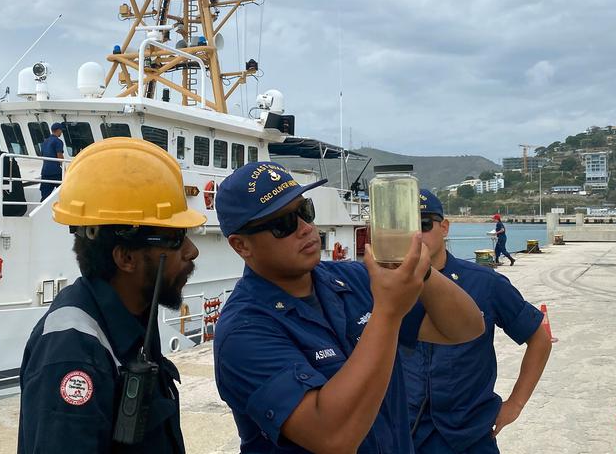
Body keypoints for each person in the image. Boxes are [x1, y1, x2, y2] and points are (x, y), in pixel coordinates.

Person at [212, 162, 485, 453]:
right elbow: (332, 437)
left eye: (305, 211)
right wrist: (388, 312)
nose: (306, 228)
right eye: (283, 224)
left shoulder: (352, 279)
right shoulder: (243, 332)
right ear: (241, 245)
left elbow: (465, 328)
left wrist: (420, 269)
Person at [17, 137, 206, 453]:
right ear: (126, 258)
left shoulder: (132, 316)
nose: (192, 251)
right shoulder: (73, 354)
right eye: (175, 239)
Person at [401, 190, 552, 453]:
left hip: (470, 436)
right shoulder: (385, 287)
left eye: (424, 225)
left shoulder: (485, 283)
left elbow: (539, 338)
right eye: (405, 227)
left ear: (444, 227)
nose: (415, 236)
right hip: (406, 434)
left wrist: (515, 404)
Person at [39, 122, 65, 201]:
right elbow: (59, 155)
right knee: (64, 192)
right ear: (58, 130)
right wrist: (64, 169)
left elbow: (42, 154)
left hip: (45, 172)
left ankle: (40, 211)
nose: (61, 132)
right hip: (56, 172)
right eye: (61, 131)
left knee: (45, 196)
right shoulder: (58, 141)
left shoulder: (44, 142)